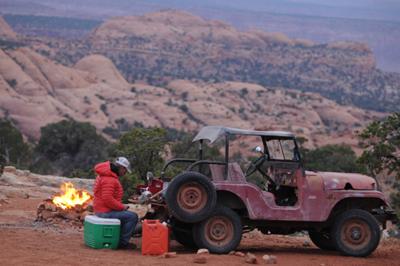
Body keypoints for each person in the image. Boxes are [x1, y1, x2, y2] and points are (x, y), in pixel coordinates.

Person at [93, 157, 138, 249]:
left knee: (127, 215)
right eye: (125, 170)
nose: (125, 173)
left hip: (101, 209)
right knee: (132, 217)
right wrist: (122, 207)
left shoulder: (106, 175)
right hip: (104, 211)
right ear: (121, 168)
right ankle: (122, 243)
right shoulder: (109, 179)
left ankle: (117, 239)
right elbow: (107, 199)